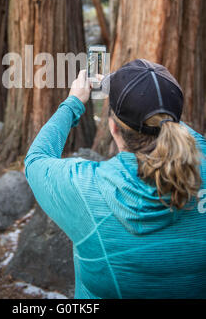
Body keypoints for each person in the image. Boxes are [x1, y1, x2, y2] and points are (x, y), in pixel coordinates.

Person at [24, 59, 206, 299]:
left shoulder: (86, 188)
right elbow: (178, 130)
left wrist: (74, 103)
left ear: (113, 128)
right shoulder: (202, 159)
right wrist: (149, 101)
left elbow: (36, 159)